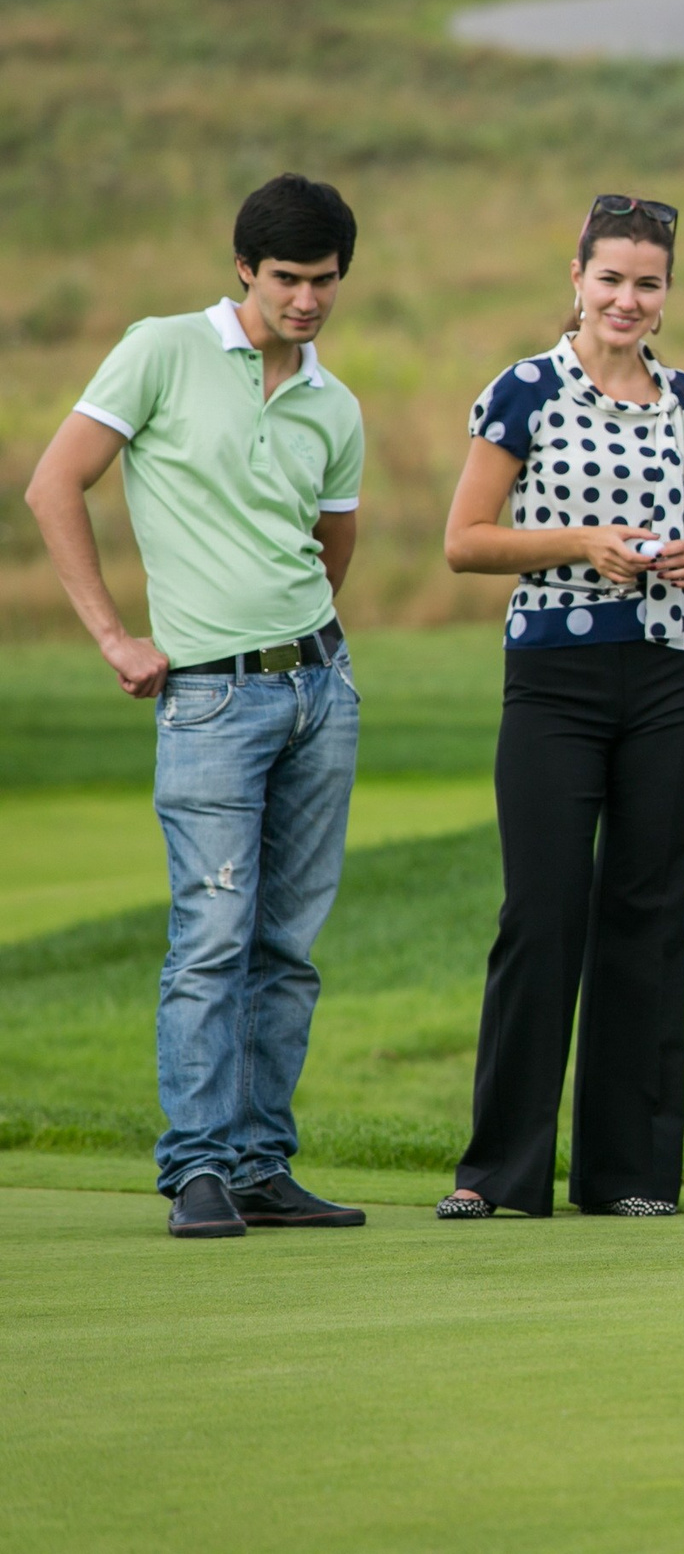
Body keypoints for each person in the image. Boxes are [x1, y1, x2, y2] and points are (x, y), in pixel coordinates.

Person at [23, 174, 370, 1238]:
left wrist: (302, 652)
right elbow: (53, 483)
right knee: (212, 936)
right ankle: (199, 1169)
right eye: (287, 280)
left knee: (288, 945)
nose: (306, 300)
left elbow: (331, 544)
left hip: (320, 688)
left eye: (324, 281)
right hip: (209, 699)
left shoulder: (335, 403)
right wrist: (114, 636)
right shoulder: (162, 349)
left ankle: (263, 1164)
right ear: (243, 271)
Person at [437, 195, 684, 1220]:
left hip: (668, 680)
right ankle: (498, 1174)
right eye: (612, 279)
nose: (628, 299)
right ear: (577, 278)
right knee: (542, 910)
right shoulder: (523, 392)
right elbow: (466, 539)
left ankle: (629, 1176)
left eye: (647, 282)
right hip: (554, 678)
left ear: (666, 290)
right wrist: (580, 542)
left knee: (643, 916)